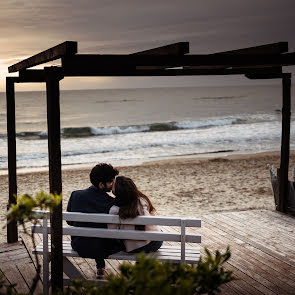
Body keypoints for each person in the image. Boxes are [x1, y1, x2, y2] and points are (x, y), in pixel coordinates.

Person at [66, 163, 124, 279]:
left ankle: (100, 266)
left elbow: (69, 222)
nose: (113, 184)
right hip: (103, 248)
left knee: (93, 233)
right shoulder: (111, 203)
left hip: (79, 245)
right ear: (101, 184)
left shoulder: (75, 195)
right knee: (101, 236)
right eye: (111, 182)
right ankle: (100, 266)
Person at [109, 176, 163, 253]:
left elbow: (112, 234)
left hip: (132, 248)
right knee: (160, 231)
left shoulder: (114, 210)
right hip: (152, 244)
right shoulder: (142, 201)